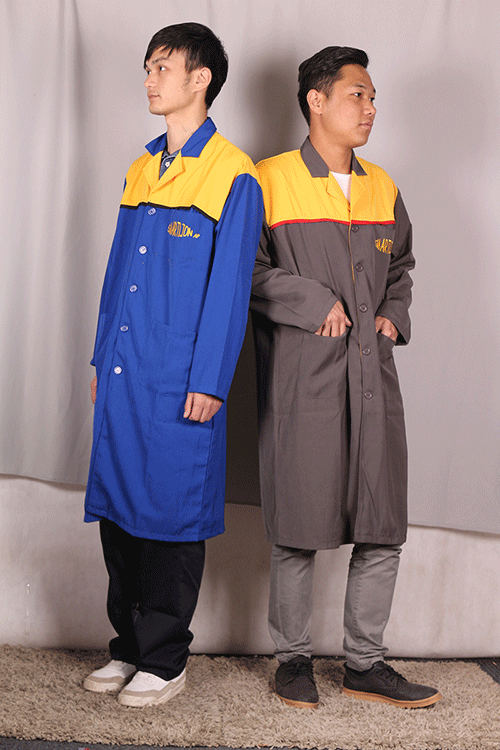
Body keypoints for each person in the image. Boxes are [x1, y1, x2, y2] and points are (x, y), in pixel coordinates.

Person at [251, 46, 441, 709]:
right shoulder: (269, 180)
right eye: (358, 94)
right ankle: (293, 661)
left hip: (373, 381)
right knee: (299, 526)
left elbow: (402, 265)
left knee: (382, 525)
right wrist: (311, 302)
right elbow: (245, 269)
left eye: (373, 97)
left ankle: (365, 663)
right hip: (303, 383)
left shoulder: (383, 186)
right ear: (317, 100)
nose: (370, 108)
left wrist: (394, 314)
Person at [82, 22, 263, 708]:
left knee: (170, 514)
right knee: (120, 511)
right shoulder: (142, 167)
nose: (150, 79)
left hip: (181, 377)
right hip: (125, 369)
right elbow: (116, 275)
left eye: (163, 66)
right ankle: (128, 648)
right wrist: (101, 356)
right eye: (148, 67)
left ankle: (165, 659)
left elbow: (230, 291)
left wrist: (210, 381)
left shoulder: (234, 173)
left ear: (201, 78)